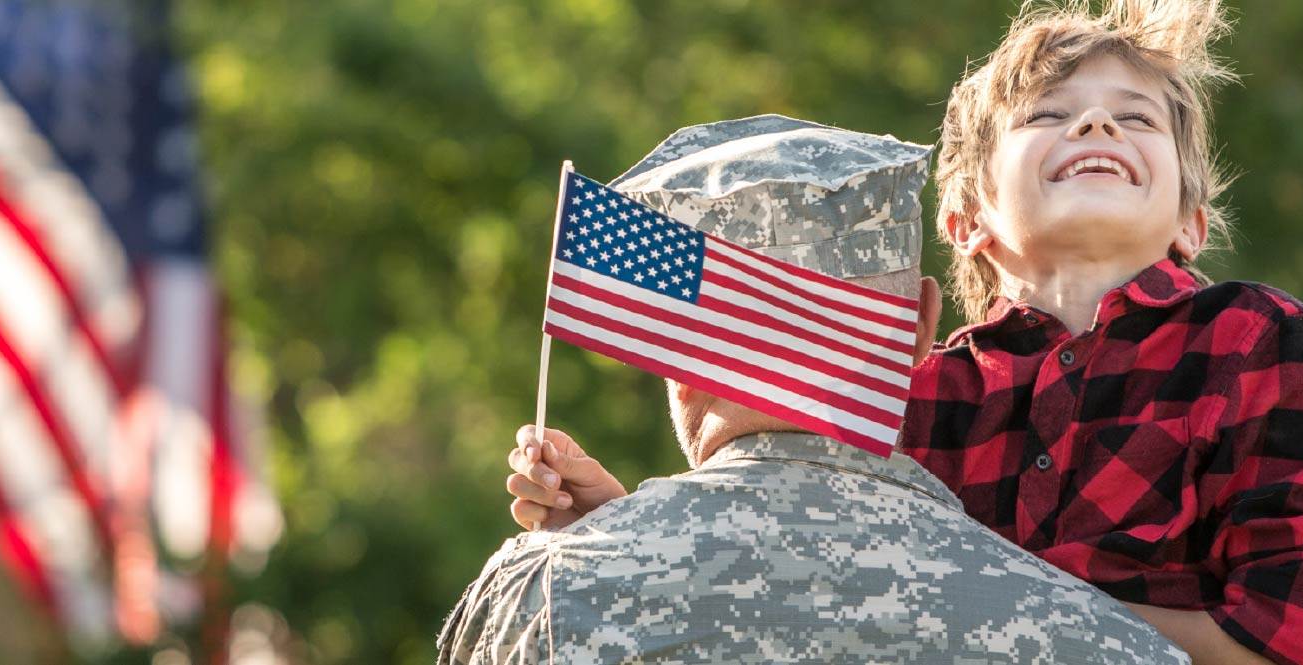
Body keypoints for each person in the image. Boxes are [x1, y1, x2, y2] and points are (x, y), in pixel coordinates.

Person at [507, 3, 1303, 664]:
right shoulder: (914, 396)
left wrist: (1004, 604)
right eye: (1050, 115)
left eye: (1135, 118)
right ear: (965, 219)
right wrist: (623, 526)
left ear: (1191, 218)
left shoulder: (1259, 340)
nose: (1097, 126)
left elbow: (1286, 639)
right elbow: (804, 577)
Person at [442, 115, 1189, 664]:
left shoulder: (541, 596)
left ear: (675, 338)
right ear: (924, 324)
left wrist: (609, 551)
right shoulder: (1103, 641)